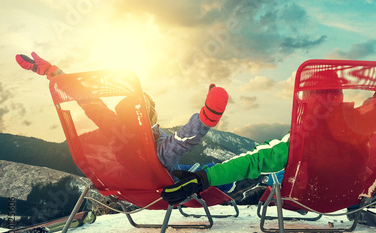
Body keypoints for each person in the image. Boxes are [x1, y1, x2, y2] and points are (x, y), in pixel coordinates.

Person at [160, 4, 376, 204]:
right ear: (339, 95)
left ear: (307, 100)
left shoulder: (300, 140)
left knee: (264, 179)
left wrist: (202, 180)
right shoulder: (362, 119)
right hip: (351, 195)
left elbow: (249, 163)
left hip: (311, 198)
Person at [15, 52, 237, 190]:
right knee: (212, 171)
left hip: (131, 185)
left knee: (188, 166)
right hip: (167, 183)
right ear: (147, 116)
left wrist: (54, 73)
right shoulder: (155, 152)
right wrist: (206, 117)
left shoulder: (114, 132)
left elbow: (88, 102)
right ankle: (233, 182)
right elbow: (183, 140)